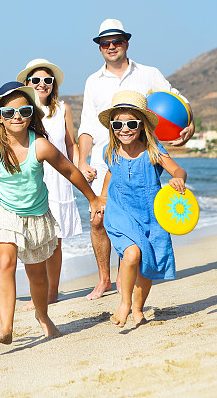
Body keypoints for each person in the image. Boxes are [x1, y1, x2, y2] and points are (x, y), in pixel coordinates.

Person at [0, 81, 103, 345]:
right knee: (5, 261)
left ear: (32, 113)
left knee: (36, 275)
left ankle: (43, 317)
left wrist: (92, 198)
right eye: (9, 113)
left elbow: (69, 171)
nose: (16, 117)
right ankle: (6, 327)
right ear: (0, 118)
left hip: (36, 215)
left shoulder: (40, 145)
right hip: (2, 211)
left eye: (23, 111)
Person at [77, 18, 194, 300]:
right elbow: (87, 126)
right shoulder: (93, 82)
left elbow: (178, 100)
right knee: (97, 220)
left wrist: (191, 124)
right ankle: (104, 278)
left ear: (126, 43)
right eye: (106, 43)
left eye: (117, 41)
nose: (112, 46)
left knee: (135, 215)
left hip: (142, 156)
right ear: (100, 48)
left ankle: (125, 272)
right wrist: (82, 161)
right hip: (106, 157)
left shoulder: (149, 74)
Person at [97, 90, 187, 328]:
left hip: (152, 215)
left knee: (147, 263)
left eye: (131, 124)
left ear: (142, 125)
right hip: (121, 212)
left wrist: (178, 179)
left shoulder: (153, 150)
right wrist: (102, 199)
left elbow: (178, 170)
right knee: (132, 254)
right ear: (112, 127)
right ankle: (125, 304)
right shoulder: (109, 150)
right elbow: (110, 173)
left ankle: (138, 308)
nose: (124, 129)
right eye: (118, 124)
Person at [14, 59, 80, 311]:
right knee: (34, 239)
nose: (42, 84)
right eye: (36, 80)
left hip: (60, 180)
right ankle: (37, 292)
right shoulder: (23, 111)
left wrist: (78, 169)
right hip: (33, 180)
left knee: (56, 240)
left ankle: (52, 292)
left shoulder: (62, 109)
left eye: (47, 80)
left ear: (54, 85)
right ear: (27, 84)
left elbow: (70, 143)